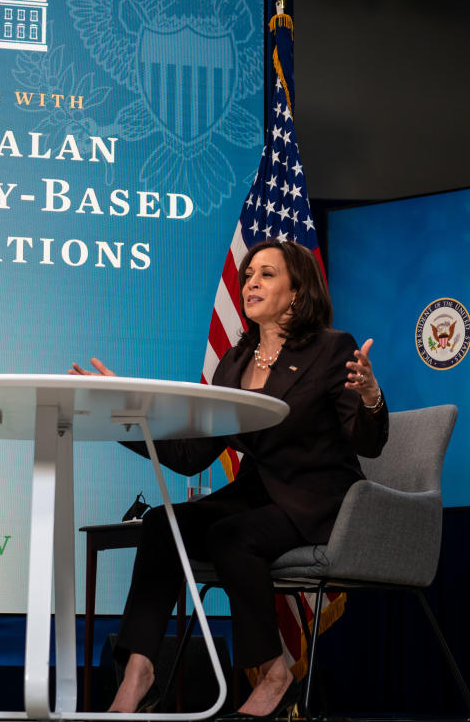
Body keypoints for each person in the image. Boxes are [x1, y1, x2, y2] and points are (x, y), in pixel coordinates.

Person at [70, 240, 388, 719]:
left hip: (317, 499)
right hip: (257, 496)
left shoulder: (330, 349)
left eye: (266, 274)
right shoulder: (234, 363)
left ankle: (273, 670)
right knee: (162, 524)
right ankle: (140, 670)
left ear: (297, 293)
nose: (251, 284)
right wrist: (122, 412)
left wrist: (370, 397)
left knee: (231, 535)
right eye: (247, 276)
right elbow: (190, 456)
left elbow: (368, 444)